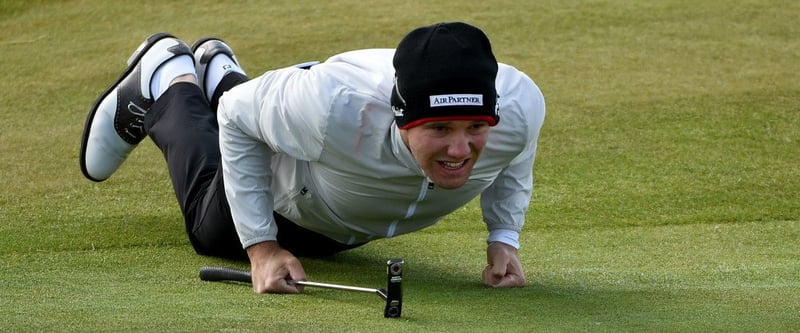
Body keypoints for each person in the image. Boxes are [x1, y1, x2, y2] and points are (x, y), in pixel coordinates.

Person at [79, 22, 546, 294]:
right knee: (211, 227)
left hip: (344, 212)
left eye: (476, 128)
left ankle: (220, 68)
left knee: (267, 113)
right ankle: (168, 78)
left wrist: (504, 238)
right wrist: (262, 247)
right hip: (294, 184)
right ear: (401, 119)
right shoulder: (332, 109)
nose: (461, 149)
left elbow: (514, 157)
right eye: (440, 129)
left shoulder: (520, 108)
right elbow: (237, 118)